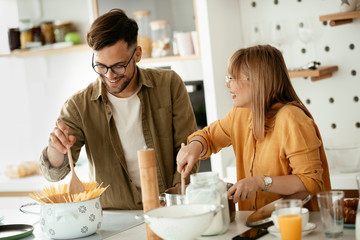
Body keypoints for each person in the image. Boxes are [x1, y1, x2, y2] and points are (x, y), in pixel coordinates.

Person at [39, 9, 199, 210]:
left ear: (138, 54)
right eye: (100, 66)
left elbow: (188, 149)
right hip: (114, 219)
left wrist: (176, 200)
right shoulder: (78, 106)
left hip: (168, 209)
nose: (109, 76)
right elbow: (54, 173)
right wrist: (56, 150)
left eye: (118, 66)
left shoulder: (169, 85)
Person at [176, 45, 331, 211]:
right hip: (256, 224)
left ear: (257, 80)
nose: (227, 84)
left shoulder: (292, 118)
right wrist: (194, 146)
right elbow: (209, 137)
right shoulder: (240, 114)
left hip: (296, 224)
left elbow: (310, 182)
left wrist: (260, 182)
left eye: (232, 77)